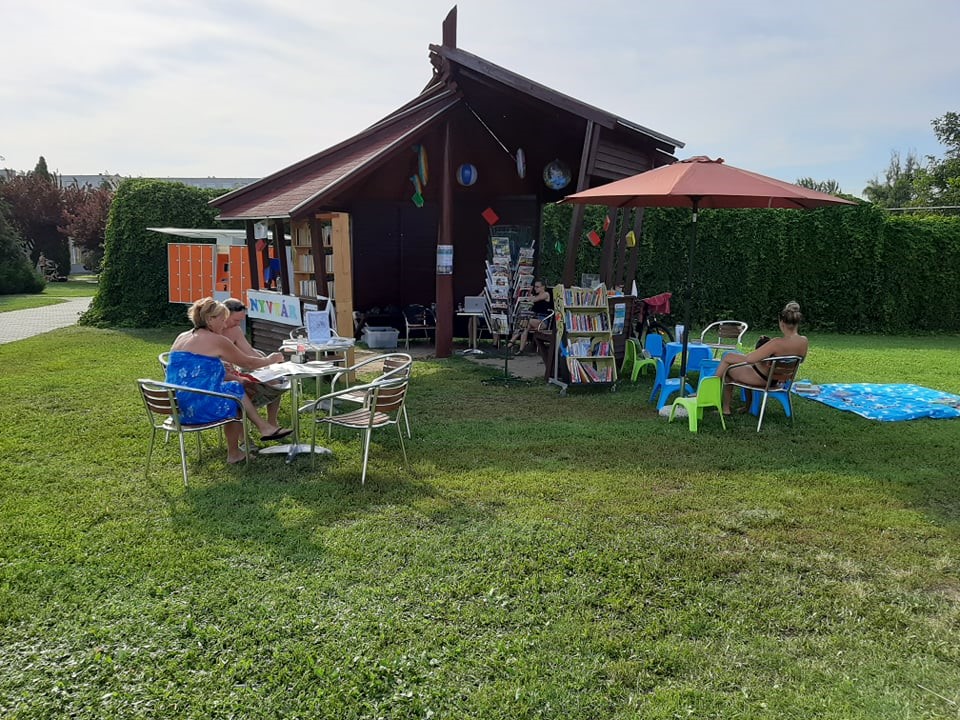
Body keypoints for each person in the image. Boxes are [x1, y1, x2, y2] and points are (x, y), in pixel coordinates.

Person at [166, 297, 292, 465]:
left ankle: (257, 433)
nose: (224, 324)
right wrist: (271, 359)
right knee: (235, 394)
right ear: (210, 319)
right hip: (197, 409)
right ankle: (248, 441)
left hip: (178, 407)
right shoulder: (216, 340)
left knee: (235, 388)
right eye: (222, 319)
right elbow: (248, 362)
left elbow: (198, 373)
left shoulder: (182, 336)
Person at [715, 301, 808, 416]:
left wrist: (730, 357)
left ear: (781, 323)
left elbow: (750, 359)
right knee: (740, 364)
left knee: (728, 368)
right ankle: (747, 406)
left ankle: (724, 408)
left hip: (764, 380)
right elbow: (801, 360)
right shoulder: (804, 341)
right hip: (778, 381)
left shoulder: (776, 343)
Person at [219, 298, 284, 427]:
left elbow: (248, 351)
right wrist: (267, 361)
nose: (238, 324)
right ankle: (243, 438)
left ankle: (272, 422)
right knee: (239, 388)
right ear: (224, 315)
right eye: (236, 320)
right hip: (222, 376)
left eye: (241, 320)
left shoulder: (235, 330)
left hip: (235, 371)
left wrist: (269, 364)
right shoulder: (212, 332)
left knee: (275, 381)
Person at [509, 280, 552, 353]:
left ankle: (511, 342)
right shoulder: (535, 295)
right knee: (525, 326)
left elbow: (535, 299)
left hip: (543, 321)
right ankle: (521, 350)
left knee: (526, 322)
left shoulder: (546, 294)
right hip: (534, 319)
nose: (535, 288)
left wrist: (530, 294)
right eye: (534, 287)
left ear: (543, 287)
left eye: (537, 287)